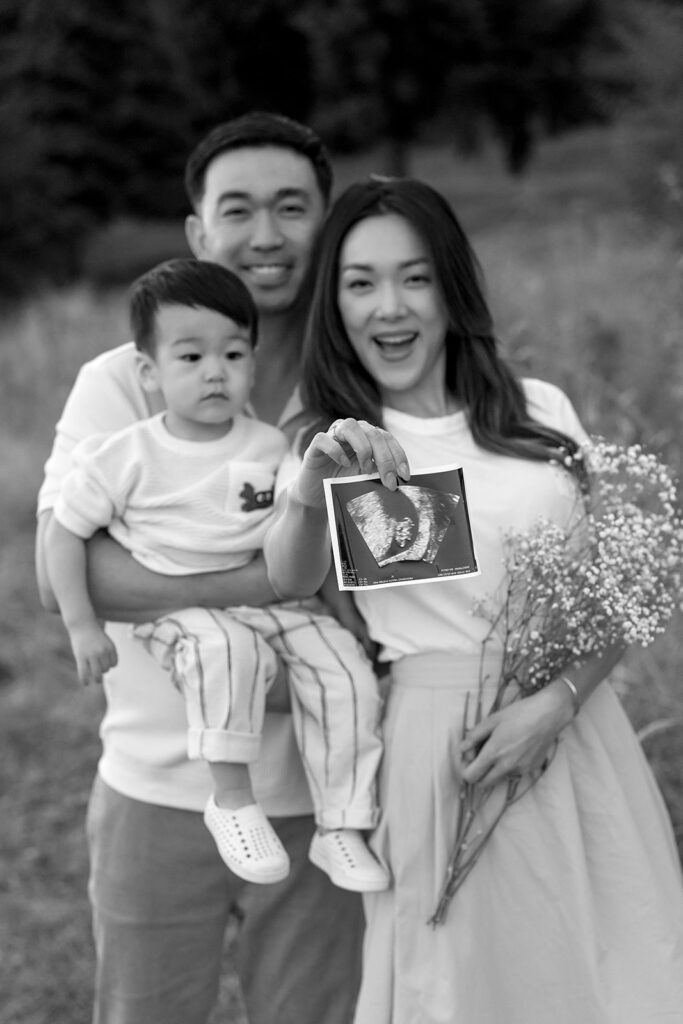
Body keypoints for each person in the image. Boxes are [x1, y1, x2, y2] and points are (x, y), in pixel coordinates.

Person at [264, 176, 683, 1024]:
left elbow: (612, 591)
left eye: (414, 277)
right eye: (360, 282)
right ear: (333, 303)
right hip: (440, 747)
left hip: (575, 730)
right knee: (460, 987)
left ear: (451, 287)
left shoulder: (538, 411)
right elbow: (288, 574)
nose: (390, 306)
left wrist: (556, 705)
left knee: (610, 971)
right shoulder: (336, 436)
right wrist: (311, 490)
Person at [35, 113, 366, 1024]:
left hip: (317, 798)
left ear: (326, 223)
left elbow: (381, 595)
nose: (266, 235)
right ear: (197, 232)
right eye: (238, 209)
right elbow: (71, 567)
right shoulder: (125, 380)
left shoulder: (357, 387)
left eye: (292, 207)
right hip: (158, 782)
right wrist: (266, 588)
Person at [45, 257, 387, 890]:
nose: (215, 373)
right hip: (176, 616)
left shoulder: (267, 447)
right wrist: (80, 624)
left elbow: (298, 532)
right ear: (148, 371)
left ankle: (341, 823)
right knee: (226, 650)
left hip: (274, 607)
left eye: (233, 355)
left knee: (343, 667)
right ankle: (231, 798)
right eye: (191, 357)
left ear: (252, 364)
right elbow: (63, 534)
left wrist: (338, 599)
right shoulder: (125, 454)